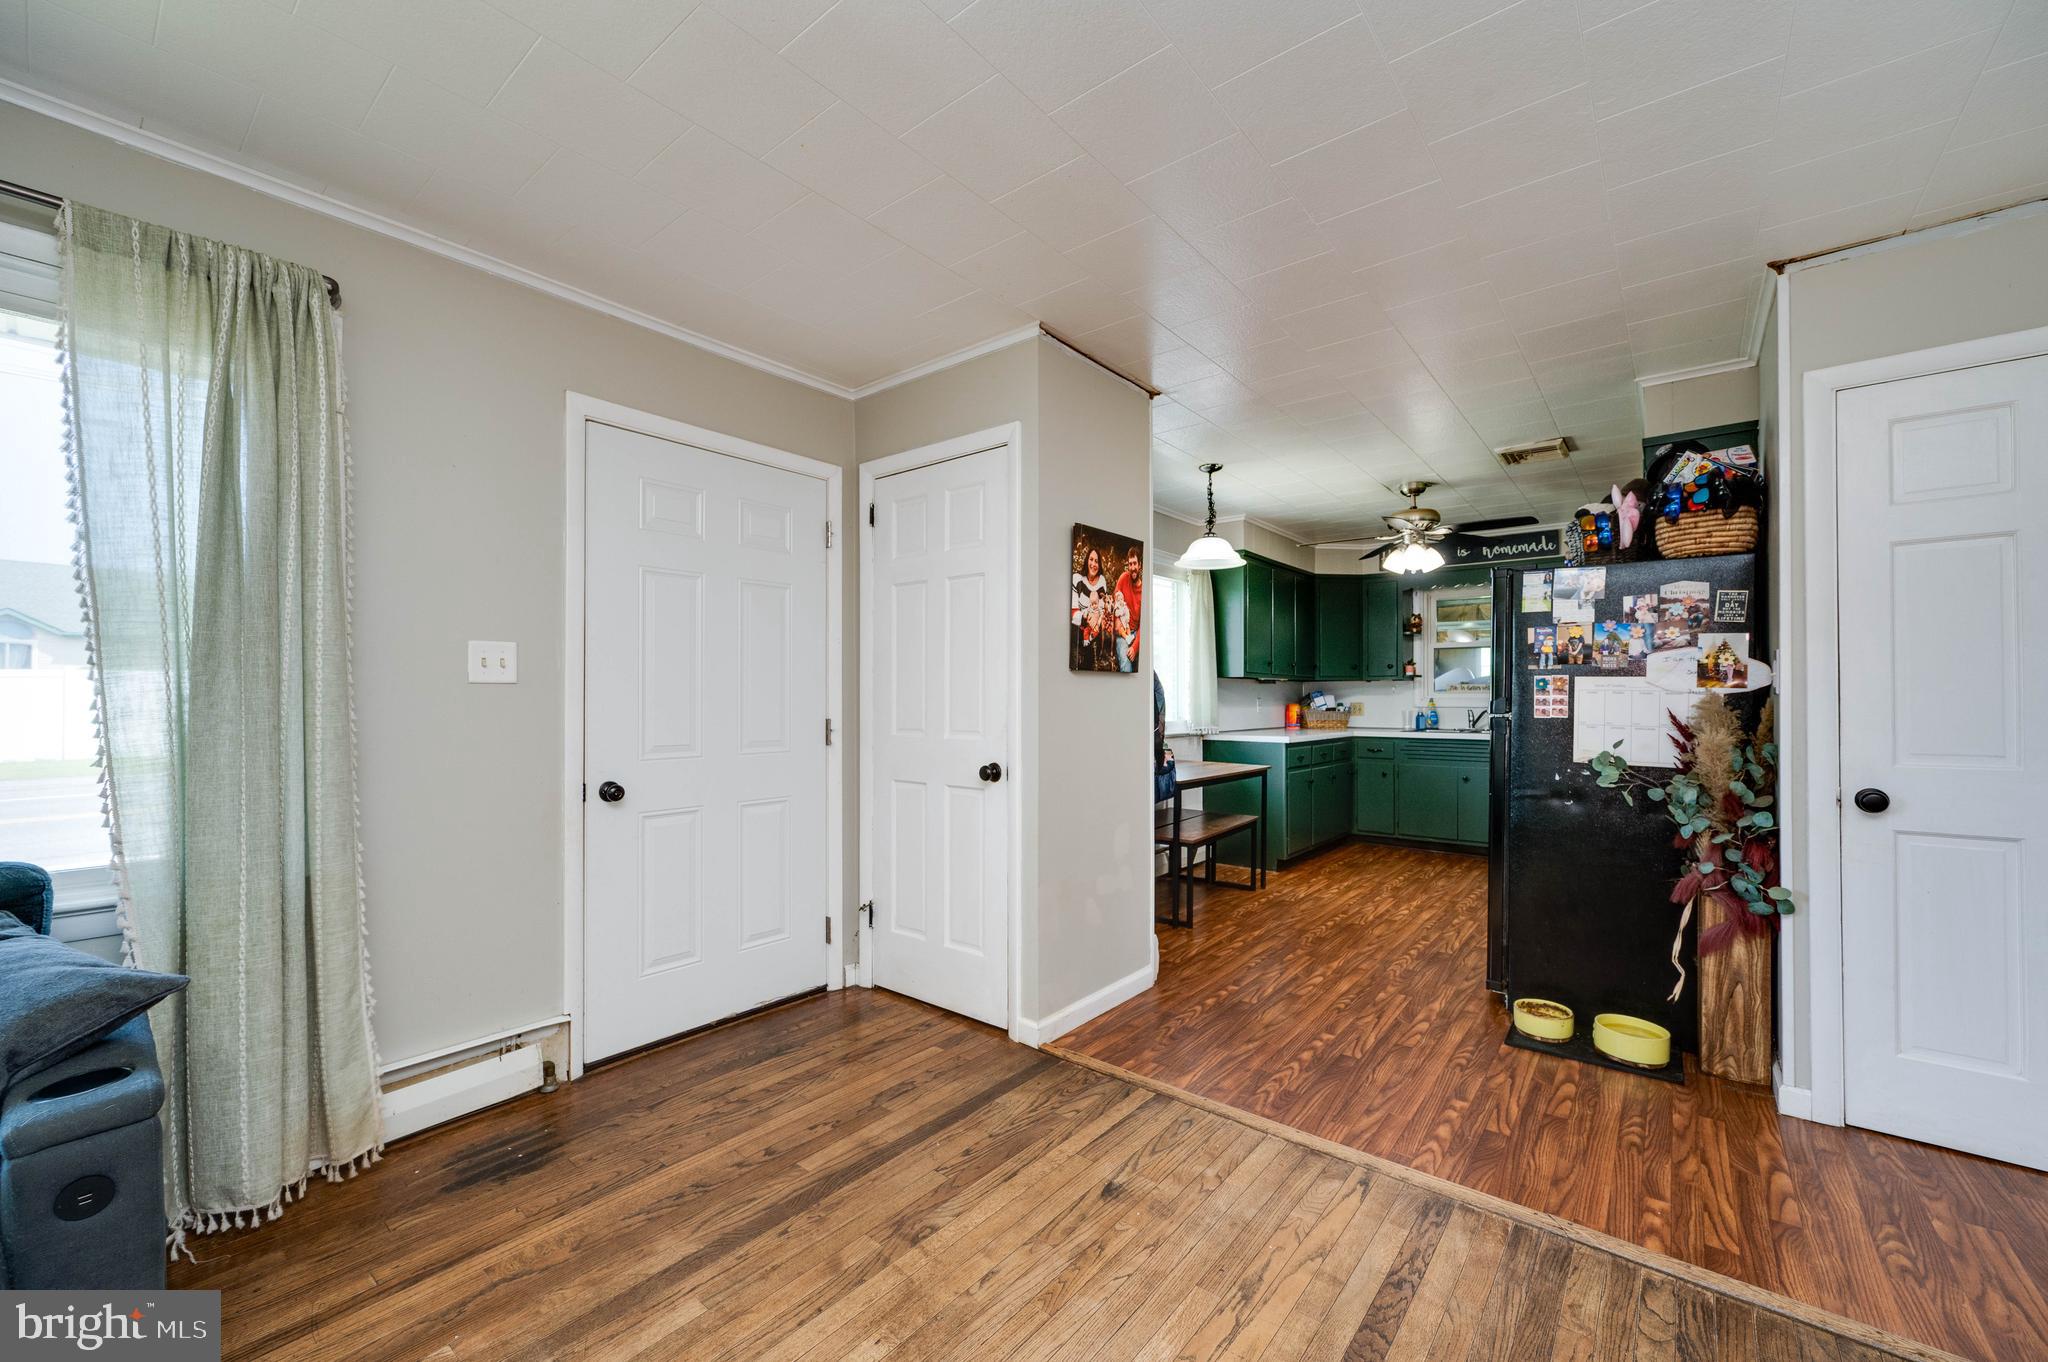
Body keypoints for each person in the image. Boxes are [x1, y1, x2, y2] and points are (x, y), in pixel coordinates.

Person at [1071, 546, 1114, 670]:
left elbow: (1101, 609)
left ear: (1099, 565)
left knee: (1089, 666)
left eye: (1096, 561)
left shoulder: (1102, 581)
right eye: (1091, 560)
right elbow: (1073, 611)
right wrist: (1085, 618)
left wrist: (1098, 619)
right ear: (1087, 561)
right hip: (1079, 626)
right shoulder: (1077, 579)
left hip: (1094, 628)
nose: (1093, 564)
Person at [1113, 544, 1143, 672]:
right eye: (1130, 564)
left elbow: (1144, 625)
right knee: (1125, 664)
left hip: (1137, 632)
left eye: (1134, 563)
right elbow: (1116, 605)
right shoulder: (1123, 578)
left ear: (1140, 564)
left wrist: (1135, 647)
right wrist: (1119, 627)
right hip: (1123, 631)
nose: (1132, 568)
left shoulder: (1144, 590)